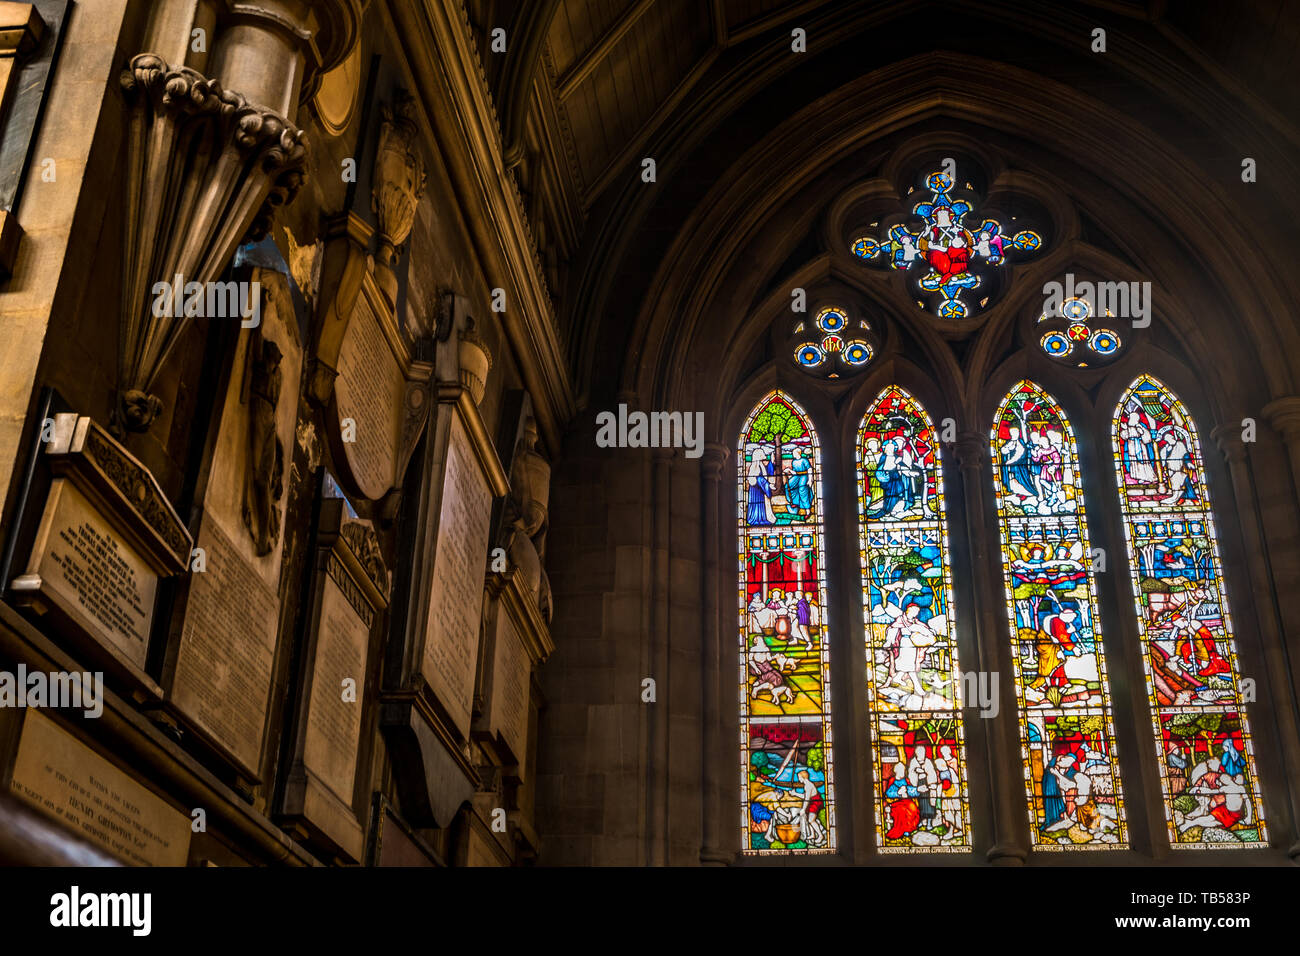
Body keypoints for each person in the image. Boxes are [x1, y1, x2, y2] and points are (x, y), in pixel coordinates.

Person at [885, 604, 939, 696]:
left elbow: (923, 627)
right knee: (910, 667)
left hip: (913, 644)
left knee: (907, 666)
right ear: (909, 610)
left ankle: (898, 678)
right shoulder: (901, 619)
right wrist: (889, 641)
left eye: (917, 612)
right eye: (915, 611)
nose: (916, 613)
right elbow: (892, 629)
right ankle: (918, 688)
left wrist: (930, 632)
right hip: (904, 643)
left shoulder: (914, 621)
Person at [1032, 604, 1079, 691]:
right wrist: (1073, 648)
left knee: (1059, 662)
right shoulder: (1057, 622)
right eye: (1072, 619)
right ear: (1067, 617)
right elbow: (1061, 637)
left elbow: (1060, 635)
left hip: (1053, 645)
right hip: (1047, 646)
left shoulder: (1060, 622)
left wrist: (1068, 631)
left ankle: (1061, 682)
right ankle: (1045, 684)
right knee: (1050, 665)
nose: (1072, 620)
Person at [884, 762, 921, 840]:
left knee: (913, 808)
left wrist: (917, 790)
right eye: (901, 770)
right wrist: (898, 793)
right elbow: (889, 793)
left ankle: (909, 828)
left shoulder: (906, 780)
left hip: (907, 801)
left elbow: (911, 790)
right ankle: (904, 830)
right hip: (896, 803)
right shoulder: (892, 781)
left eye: (904, 770)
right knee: (902, 811)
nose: (903, 772)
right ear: (896, 771)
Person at [907, 745, 939, 829]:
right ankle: (921, 820)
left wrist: (925, 773)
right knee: (920, 804)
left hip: (928, 785)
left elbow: (932, 773)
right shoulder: (913, 762)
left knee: (930, 804)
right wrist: (916, 771)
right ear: (916, 753)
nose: (922, 754)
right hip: (919, 785)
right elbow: (910, 773)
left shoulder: (928, 761)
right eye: (920, 752)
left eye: (923, 752)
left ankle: (929, 822)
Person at [746, 448, 776, 525]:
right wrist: (768, 485)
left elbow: (766, 472)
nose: (764, 454)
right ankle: (756, 518)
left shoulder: (760, 465)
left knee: (761, 504)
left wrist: (771, 462)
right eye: (762, 453)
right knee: (758, 504)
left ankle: (762, 517)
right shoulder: (755, 467)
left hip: (760, 490)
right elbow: (758, 479)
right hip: (756, 491)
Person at [786, 449, 814, 517]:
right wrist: (789, 470)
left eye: (794, 453)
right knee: (788, 486)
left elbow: (809, 469)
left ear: (798, 453)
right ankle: (795, 502)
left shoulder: (804, 460)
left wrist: (810, 479)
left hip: (804, 476)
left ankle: (808, 511)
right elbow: (795, 472)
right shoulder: (794, 461)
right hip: (797, 476)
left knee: (802, 489)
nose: (793, 454)